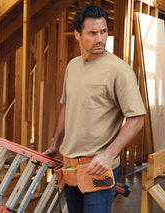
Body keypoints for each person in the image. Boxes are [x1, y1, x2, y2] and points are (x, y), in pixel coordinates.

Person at [43, 5, 146, 213]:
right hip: (70, 166)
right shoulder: (72, 66)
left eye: (103, 31)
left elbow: (137, 118)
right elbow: (67, 107)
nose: (100, 38)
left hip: (99, 169)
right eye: (92, 33)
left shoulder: (119, 70)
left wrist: (109, 154)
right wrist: (55, 144)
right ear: (77, 35)